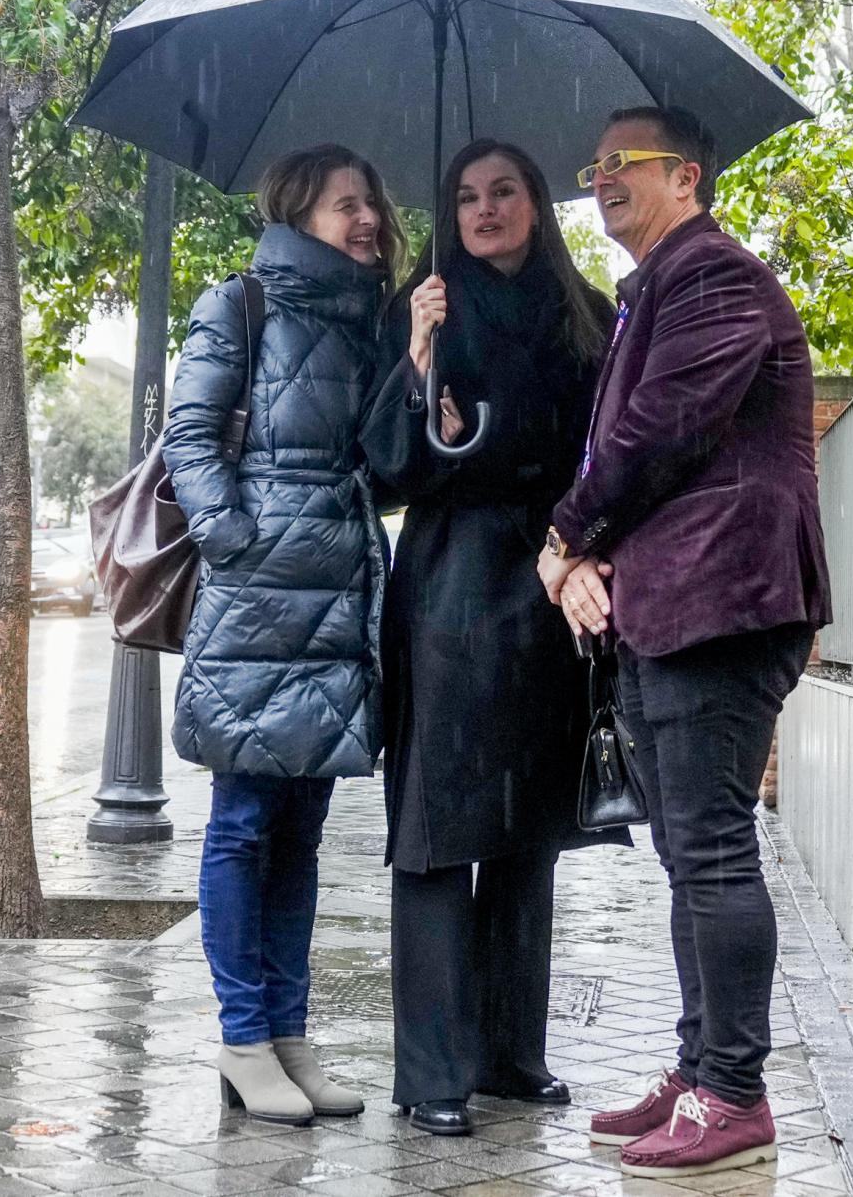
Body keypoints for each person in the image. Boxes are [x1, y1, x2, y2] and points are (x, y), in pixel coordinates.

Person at [537, 106, 832, 1180]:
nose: (603, 176)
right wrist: (579, 553)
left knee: (709, 848)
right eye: (595, 161)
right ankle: (700, 1067)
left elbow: (651, 435)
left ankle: (732, 1095)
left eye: (627, 162)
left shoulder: (710, 278)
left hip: (726, 600)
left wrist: (564, 537)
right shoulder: (655, 287)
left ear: (688, 177)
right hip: (677, 602)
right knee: (684, 853)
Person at [362, 137, 626, 1139]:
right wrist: (417, 357)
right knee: (434, 832)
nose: (482, 209)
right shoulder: (424, 306)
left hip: (551, 588)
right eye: (465, 195)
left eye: (503, 190)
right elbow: (387, 470)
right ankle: (433, 1068)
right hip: (445, 589)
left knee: (528, 832)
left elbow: (613, 455)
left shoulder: (587, 317)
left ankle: (511, 1051)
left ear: (534, 204)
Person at [162, 144, 406, 1126]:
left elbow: (386, 466)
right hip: (261, 602)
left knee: (303, 832)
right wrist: (236, 538)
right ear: (296, 210)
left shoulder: (373, 325)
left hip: (338, 601)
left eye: (374, 206)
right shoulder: (240, 304)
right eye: (350, 205)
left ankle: (290, 1034)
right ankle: (242, 1036)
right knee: (244, 823)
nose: (368, 222)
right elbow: (189, 436)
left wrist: (418, 357)